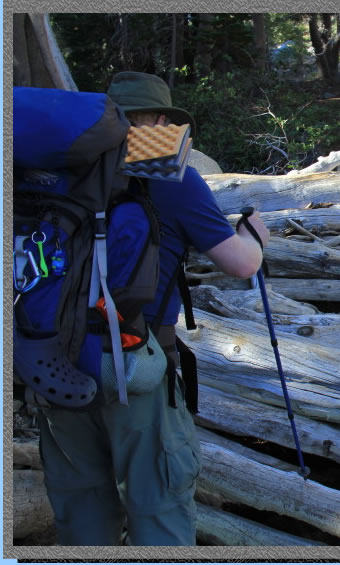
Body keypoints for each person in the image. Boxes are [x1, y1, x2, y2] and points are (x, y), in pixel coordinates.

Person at [36, 71, 269, 546]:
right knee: (158, 504)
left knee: (81, 505)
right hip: (133, 364)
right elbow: (241, 265)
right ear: (162, 120)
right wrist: (255, 236)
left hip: (51, 360)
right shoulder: (170, 173)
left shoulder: (54, 168)